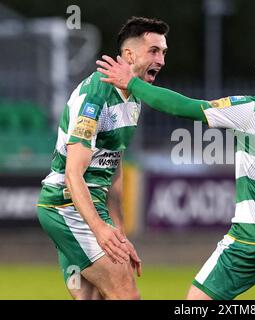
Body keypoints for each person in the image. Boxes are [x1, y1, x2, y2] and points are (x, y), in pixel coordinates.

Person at [96, 36, 255, 300]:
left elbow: (184, 107)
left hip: (253, 238)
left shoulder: (251, 108)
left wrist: (131, 82)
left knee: (197, 302)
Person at [36, 16, 169, 300]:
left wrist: (117, 229)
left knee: (91, 298)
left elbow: (114, 163)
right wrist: (100, 229)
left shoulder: (133, 97)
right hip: (67, 205)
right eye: (154, 51)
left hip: (91, 206)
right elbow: (73, 174)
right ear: (129, 54)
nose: (161, 60)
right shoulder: (95, 95)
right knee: (127, 295)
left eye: (163, 52)